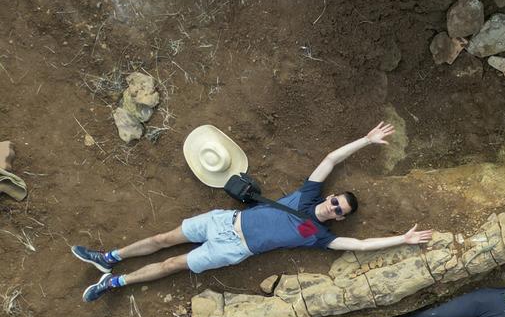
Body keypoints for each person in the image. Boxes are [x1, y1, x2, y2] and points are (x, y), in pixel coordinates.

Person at [72, 122, 433, 302]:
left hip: (232, 250)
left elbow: (359, 244)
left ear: (338, 217)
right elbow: (331, 159)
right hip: (223, 221)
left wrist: (402, 239)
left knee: (171, 265)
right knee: (161, 238)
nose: (333, 204)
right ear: (331, 195)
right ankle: (108, 257)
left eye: (338, 209)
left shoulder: (320, 236)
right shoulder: (308, 196)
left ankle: (114, 282)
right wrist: (366, 141)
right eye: (336, 199)